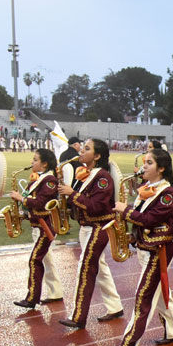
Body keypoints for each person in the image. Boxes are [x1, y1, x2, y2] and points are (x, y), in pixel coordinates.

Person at [113, 149, 173, 346]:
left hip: (158, 249)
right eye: (145, 162)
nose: (144, 166)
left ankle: (129, 342)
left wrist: (124, 211)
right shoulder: (147, 188)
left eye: (149, 163)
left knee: (143, 295)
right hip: (145, 247)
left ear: (161, 168)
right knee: (159, 293)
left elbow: (149, 220)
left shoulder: (169, 193)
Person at [57, 138, 124, 329]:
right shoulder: (85, 175)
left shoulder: (102, 178)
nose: (81, 151)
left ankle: (78, 316)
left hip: (98, 228)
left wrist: (72, 194)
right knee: (100, 269)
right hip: (85, 227)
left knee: (85, 269)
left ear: (97, 156)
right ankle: (115, 306)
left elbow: (96, 207)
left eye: (86, 149)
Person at [11, 148, 63, 309]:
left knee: (35, 260)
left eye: (35, 160)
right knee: (47, 260)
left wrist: (22, 198)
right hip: (37, 226)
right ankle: (55, 292)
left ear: (44, 164)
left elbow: (40, 203)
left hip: (45, 227)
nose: (32, 162)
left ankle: (32, 297)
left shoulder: (49, 180)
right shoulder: (39, 179)